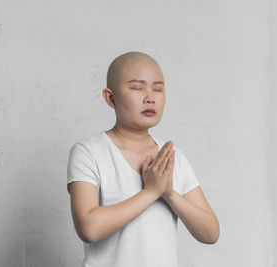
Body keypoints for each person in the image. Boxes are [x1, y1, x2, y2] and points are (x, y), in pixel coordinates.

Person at [66, 51, 219, 267]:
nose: (150, 97)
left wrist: (169, 194)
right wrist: (151, 192)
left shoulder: (172, 156)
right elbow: (89, 228)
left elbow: (210, 232)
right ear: (110, 98)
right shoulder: (88, 152)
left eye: (158, 89)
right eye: (137, 88)